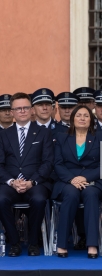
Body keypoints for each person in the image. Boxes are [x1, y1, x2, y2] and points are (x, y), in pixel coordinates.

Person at [0, 92, 54, 257]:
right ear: (12, 111)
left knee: (39, 200)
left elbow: (48, 163)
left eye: (25, 107)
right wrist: (11, 182)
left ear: (32, 110)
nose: (22, 111)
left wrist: (32, 181)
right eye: (18, 108)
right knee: (0, 199)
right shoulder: (3, 134)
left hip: (35, 183)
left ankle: (33, 243)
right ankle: (14, 242)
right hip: (11, 183)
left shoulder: (44, 132)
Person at [52, 106, 102, 259]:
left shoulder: (101, 137)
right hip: (67, 181)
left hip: (93, 181)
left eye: (86, 116)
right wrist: (71, 179)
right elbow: (57, 163)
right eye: (79, 115)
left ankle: (92, 244)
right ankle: (62, 244)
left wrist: (85, 178)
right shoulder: (61, 137)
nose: (82, 118)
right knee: (70, 193)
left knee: (91, 194)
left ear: (91, 120)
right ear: (73, 119)